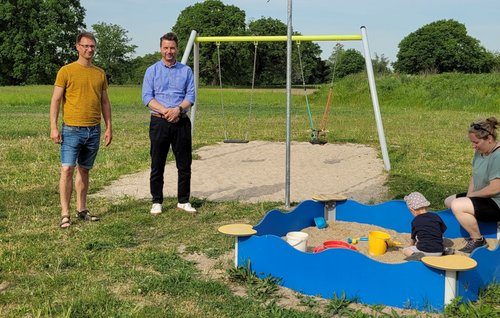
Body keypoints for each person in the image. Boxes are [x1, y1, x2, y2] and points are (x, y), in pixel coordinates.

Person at [50, 31, 113, 228]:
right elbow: (56, 99)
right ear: (77, 47)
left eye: (92, 46)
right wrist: (53, 127)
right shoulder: (66, 71)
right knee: (67, 169)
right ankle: (65, 213)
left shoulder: (99, 73)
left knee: (84, 170)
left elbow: (105, 101)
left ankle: (82, 209)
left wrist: (109, 127)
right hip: (71, 129)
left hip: (93, 130)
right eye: (85, 46)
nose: (89, 49)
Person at [141, 32, 196, 215]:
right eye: (165, 48)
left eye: (172, 48)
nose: (169, 51)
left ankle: (183, 200)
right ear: (160, 49)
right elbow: (147, 97)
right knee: (158, 162)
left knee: (184, 163)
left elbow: (190, 96)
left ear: (177, 49)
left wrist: (177, 110)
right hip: (159, 121)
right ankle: (157, 201)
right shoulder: (152, 71)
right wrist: (166, 111)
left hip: (181, 121)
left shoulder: (186, 71)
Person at [444, 117, 500, 253]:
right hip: (485, 198)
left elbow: (495, 188)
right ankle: (473, 222)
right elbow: (474, 176)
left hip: (496, 201)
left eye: (476, 142)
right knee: (450, 201)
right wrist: (470, 196)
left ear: (489, 139)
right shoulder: (480, 152)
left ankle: (478, 240)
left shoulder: (497, 156)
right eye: (472, 142)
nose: (473, 145)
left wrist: (471, 197)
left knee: (458, 205)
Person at [402, 192, 448, 261]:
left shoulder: (415, 221)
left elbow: (413, 239)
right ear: (426, 206)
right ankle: (445, 250)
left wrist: (411, 245)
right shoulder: (436, 217)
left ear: (412, 210)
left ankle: (416, 256)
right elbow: (442, 230)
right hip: (439, 251)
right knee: (437, 242)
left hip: (424, 251)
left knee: (405, 250)